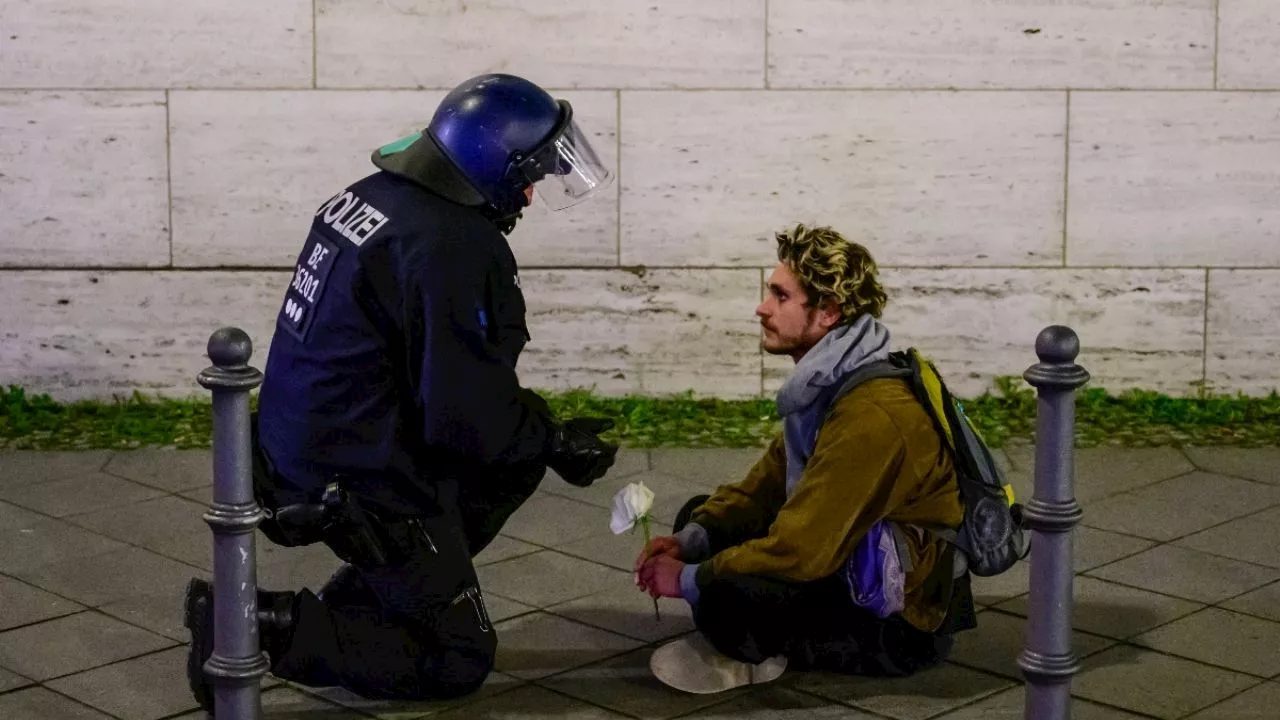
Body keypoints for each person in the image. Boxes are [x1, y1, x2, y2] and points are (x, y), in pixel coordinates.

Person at [183, 73, 621, 711]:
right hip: (357, 474)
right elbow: (463, 417)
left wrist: (536, 437)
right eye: (527, 174)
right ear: (486, 160)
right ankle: (250, 625)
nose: (529, 193)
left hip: (300, 446)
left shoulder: (372, 198)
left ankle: (392, 585)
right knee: (455, 659)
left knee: (516, 452)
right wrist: (551, 437)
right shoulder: (454, 245)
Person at [635, 224, 977, 694]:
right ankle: (751, 634)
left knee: (726, 590)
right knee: (700, 516)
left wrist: (691, 579)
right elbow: (764, 489)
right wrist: (690, 543)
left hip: (899, 629)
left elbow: (801, 550)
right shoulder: (832, 385)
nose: (762, 307)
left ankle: (759, 652)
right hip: (847, 566)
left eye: (780, 296)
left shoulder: (872, 413)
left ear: (827, 314)